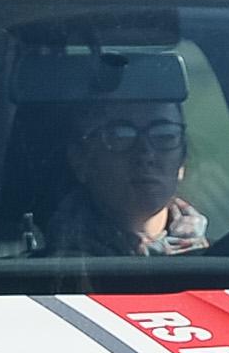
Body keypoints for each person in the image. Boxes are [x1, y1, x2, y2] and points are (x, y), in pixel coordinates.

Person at [49, 95, 208, 256]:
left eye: (164, 135)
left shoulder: (223, 262)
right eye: (120, 136)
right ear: (80, 160)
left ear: (182, 161)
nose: (145, 154)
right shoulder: (46, 271)